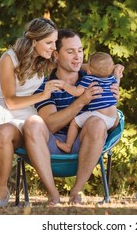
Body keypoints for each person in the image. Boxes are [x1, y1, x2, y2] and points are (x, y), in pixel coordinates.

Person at [23, 29, 123, 205]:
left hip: (85, 143)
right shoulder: (46, 86)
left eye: (80, 50)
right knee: (32, 123)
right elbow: (50, 125)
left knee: (98, 123)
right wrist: (81, 101)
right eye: (70, 52)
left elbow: (113, 124)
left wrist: (113, 103)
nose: (78, 57)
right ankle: (53, 194)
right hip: (52, 145)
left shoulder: (94, 77)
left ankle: (76, 192)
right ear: (56, 55)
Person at [0, 17, 59, 209]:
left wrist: (110, 68)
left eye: (54, 42)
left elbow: (74, 64)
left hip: (25, 120)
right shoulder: (9, 59)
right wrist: (43, 95)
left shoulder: (46, 59)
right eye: (49, 42)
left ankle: (1, 192)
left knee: (4, 132)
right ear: (34, 41)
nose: (53, 47)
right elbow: (11, 101)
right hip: (3, 111)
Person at [53, 51, 120, 153]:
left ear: (89, 70)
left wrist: (64, 85)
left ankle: (68, 145)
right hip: (112, 119)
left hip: (99, 116)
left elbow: (76, 92)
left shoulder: (89, 79)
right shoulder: (112, 78)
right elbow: (117, 82)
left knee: (75, 122)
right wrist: (117, 74)